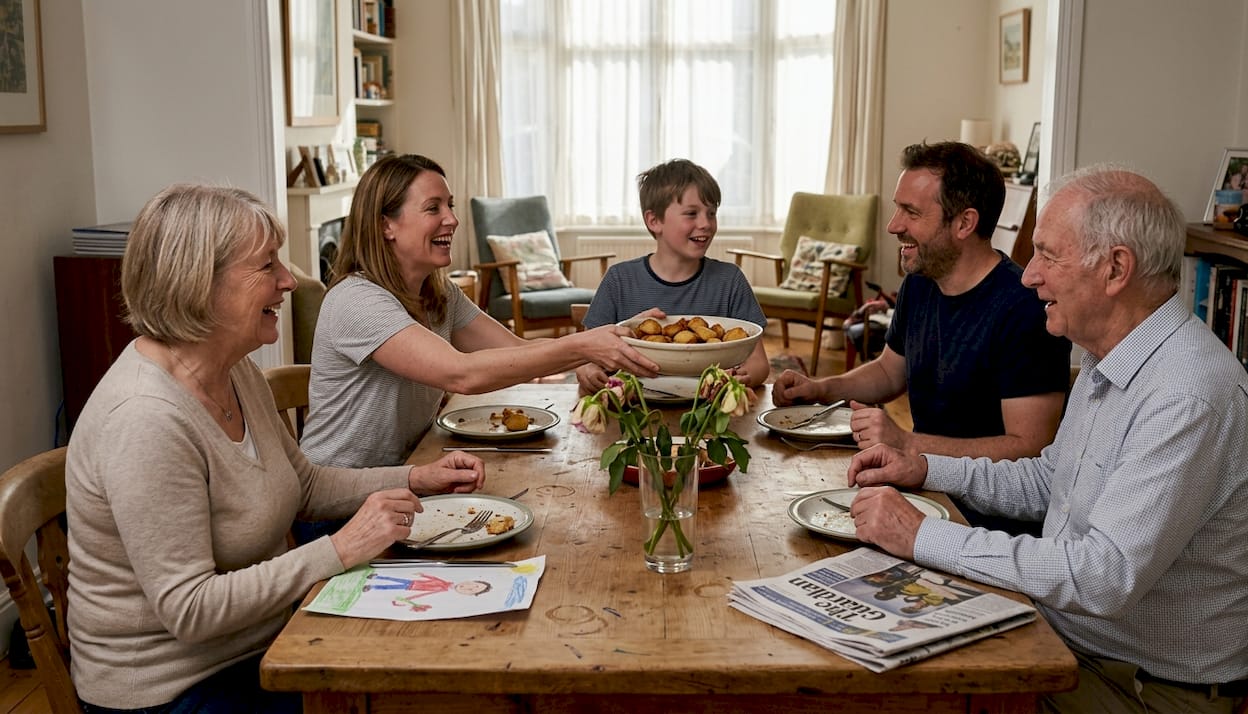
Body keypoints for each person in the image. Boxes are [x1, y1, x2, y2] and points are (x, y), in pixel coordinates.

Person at [846, 167, 1248, 713]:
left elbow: (1101, 577)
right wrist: (922, 466)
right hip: (1070, 644)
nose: (1029, 277)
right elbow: (1050, 480)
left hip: (1141, 688)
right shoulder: (1107, 359)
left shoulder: (1186, 397)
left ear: (1116, 268)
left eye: (1049, 255)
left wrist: (921, 535)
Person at [65, 184, 489, 713]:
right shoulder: (145, 418)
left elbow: (304, 484)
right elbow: (191, 609)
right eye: (268, 265)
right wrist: (340, 549)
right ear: (201, 285)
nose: (289, 280)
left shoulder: (233, 370)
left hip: (265, 643)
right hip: (176, 690)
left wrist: (415, 479)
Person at [301, 154, 659, 470]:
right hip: (340, 504)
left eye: (450, 206)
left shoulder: (439, 294)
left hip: (408, 476)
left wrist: (619, 334)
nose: (452, 220)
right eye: (433, 208)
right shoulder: (356, 300)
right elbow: (461, 375)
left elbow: (515, 352)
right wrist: (583, 346)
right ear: (385, 225)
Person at [773, 142, 1070, 482]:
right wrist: (820, 389)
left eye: (911, 213)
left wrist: (906, 443)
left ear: (964, 223)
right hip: (922, 480)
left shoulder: (1025, 309)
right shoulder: (922, 281)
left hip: (983, 517)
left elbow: (1029, 449)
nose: (893, 226)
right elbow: (888, 372)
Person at [575, 158, 769, 392]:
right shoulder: (619, 280)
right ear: (654, 220)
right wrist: (589, 370)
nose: (706, 223)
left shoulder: (730, 280)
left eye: (711, 213)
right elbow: (585, 357)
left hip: (710, 410)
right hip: (633, 408)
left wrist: (742, 378)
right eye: (691, 213)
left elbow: (758, 363)